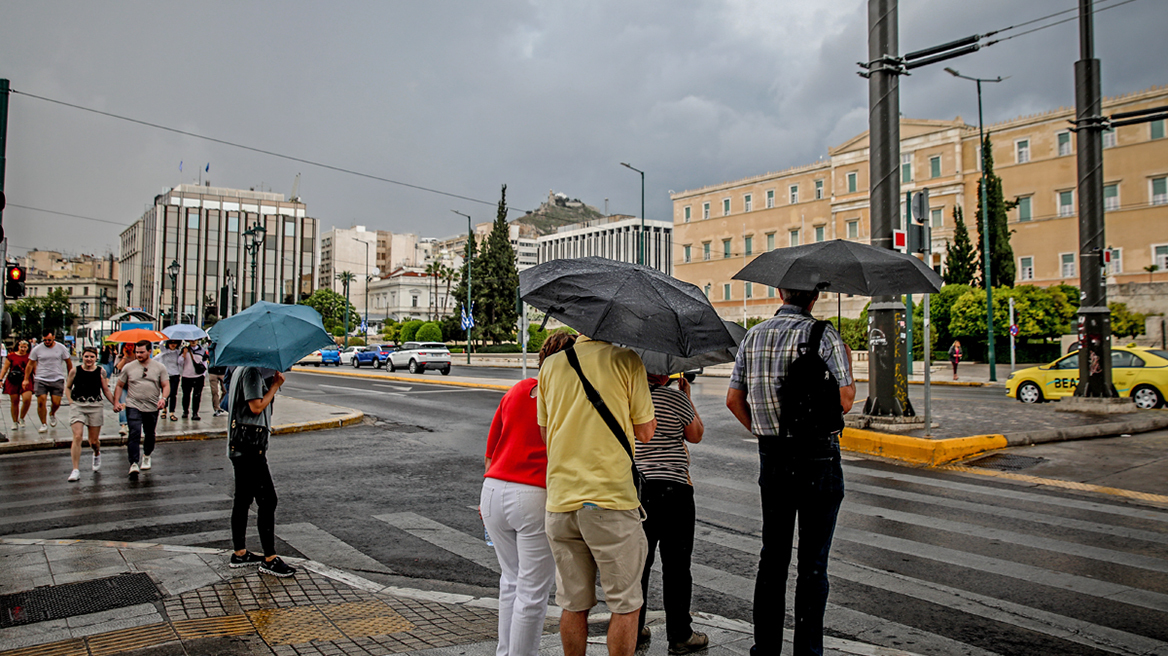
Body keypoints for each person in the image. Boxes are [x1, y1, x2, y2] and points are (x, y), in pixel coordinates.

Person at [725, 288, 855, 656]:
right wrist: (845, 361)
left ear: (780, 292)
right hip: (818, 456)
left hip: (774, 456)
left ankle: (765, 649)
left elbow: (734, 399)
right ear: (814, 296)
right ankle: (808, 652)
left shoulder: (754, 335)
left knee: (773, 556)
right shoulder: (825, 335)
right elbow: (845, 399)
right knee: (813, 562)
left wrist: (763, 432)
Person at [537, 333, 656, 656]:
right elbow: (646, 432)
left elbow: (546, 434)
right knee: (626, 604)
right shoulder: (626, 359)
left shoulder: (551, 365)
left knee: (573, 604)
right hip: (610, 500)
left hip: (561, 501)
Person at [481, 332, 576, 656]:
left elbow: (491, 450)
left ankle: (505, 652)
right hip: (532, 494)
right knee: (533, 591)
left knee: (510, 580)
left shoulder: (519, 389)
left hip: (493, 490)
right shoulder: (565, 396)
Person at [635, 373, 707, 654]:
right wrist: (687, 397)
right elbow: (696, 435)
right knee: (677, 566)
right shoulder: (676, 397)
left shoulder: (631, 398)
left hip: (639, 490)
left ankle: (634, 626)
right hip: (675, 490)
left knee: (639, 564)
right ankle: (680, 635)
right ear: (665, 372)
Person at [227, 366, 296, 578]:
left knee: (243, 499)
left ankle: (240, 553)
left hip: (240, 445)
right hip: (250, 448)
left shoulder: (239, 369)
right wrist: (275, 386)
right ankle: (269, 558)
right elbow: (256, 407)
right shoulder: (251, 372)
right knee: (268, 500)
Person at [113, 340, 170, 478]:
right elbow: (119, 385)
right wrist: (116, 402)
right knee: (134, 432)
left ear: (149, 351)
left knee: (150, 433)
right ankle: (133, 462)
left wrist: (163, 398)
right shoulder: (129, 367)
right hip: (133, 405)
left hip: (152, 406)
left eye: (141, 352)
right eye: (137, 352)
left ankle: (147, 454)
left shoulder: (159, 367)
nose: (138, 354)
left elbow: (166, 385)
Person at [64, 347, 117, 482]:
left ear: (96, 358)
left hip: (95, 405)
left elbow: (106, 390)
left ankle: (96, 452)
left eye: (92, 357)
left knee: (93, 441)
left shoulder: (101, 372)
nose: (89, 359)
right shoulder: (75, 371)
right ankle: (75, 469)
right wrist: (71, 402)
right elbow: (68, 387)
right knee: (77, 436)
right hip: (78, 405)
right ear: (83, 357)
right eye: (86, 356)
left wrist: (115, 403)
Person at [24, 330, 74, 434]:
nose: (47, 342)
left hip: (57, 378)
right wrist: (26, 379)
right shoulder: (37, 349)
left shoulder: (61, 348)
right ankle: (43, 423)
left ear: (54, 337)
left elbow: (68, 362)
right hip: (41, 378)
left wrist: (71, 377)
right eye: (45, 340)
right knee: (41, 401)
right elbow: (30, 364)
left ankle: (52, 413)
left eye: (49, 340)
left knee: (56, 402)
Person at [2, 340, 33, 429]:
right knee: (14, 401)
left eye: (25, 347)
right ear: (18, 347)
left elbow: (35, 369)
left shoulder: (30, 357)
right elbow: (5, 369)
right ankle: (14, 421)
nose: (23, 349)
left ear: (28, 348)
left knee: (27, 399)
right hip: (13, 380)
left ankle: (22, 417)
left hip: (26, 380)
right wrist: (1, 379)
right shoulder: (11, 356)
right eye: (21, 347)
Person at [179, 342, 207, 420]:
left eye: (195, 340)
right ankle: (185, 411)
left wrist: (203, 374)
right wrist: (183, 354)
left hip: (198, 377)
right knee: (186, 395)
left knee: (197, 396)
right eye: (191, 340)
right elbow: (179, 362)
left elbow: (204, 362)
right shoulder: (185, 349)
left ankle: (195, 413)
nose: (193, 341)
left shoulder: (202, 350)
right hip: (186, 376)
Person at [156, 340, 183, 421]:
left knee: (173, 394)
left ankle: (172, 412)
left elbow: (181, 362)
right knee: (165, 394)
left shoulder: (178, 352)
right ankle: (164, 410)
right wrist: (165, 338)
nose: (173, 345)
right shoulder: (165, 351)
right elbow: (160, 344)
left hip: (175, 374)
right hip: (165, 375)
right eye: (171, 343)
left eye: (175, 343)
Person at [207, 344, 227, 418]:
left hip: (222, 371)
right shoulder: (212, 348)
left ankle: (219, 404)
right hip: (213, 371)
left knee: (225, 390)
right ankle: (216, 408)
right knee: (214, 391)